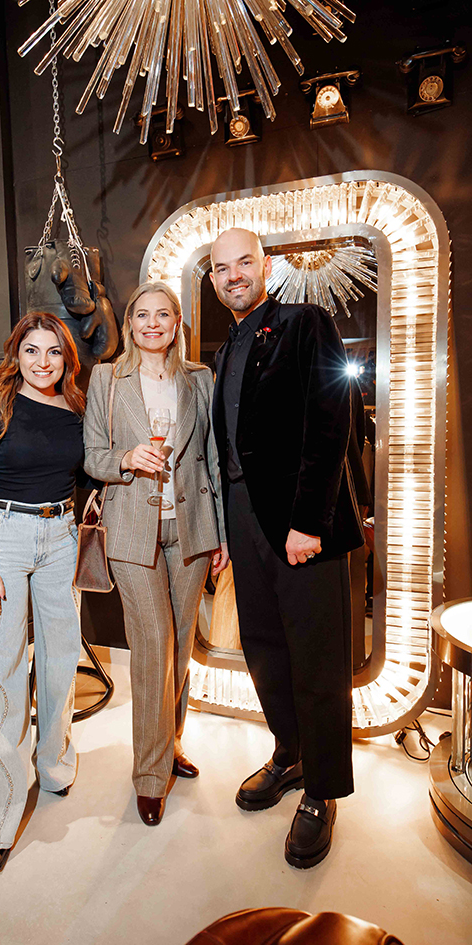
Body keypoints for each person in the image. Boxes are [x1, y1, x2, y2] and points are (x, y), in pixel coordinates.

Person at [209, 228, 364, 869]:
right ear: (213, 279)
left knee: (317, 659)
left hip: (304, 522)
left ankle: (322, 792)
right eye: (222, 268)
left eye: (244, 262)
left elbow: (330, 422)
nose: (234, 275)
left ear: (265, 266)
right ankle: (289, 754)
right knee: (264, 647)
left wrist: (308, 522)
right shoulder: (223, 351)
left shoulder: (305, 323)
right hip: (243, 520)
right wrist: (223, 530)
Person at [83, 282, 229, 826]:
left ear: (176, 324)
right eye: (142, 315)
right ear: (129, 323)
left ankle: (171, 744)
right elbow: (92, 456)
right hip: (131, 528)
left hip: (191, 528)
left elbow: (213, 458)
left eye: (162, 314)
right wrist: (126, 458)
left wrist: (221, 534)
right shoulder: (106, 378)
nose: (152, 323)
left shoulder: (199, 378)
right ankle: (149, 775)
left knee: (182, 643)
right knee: (153, 643)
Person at [0, 311, 86, 873]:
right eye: (31, 350)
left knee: (59, 661)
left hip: (61, 535)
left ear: (66, 360)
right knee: (0, 670)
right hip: (2, 537)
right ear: (16, 355)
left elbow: (88, 471)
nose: (42, 362)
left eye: (53, 352)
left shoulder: (77, 409)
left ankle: (53, 765)